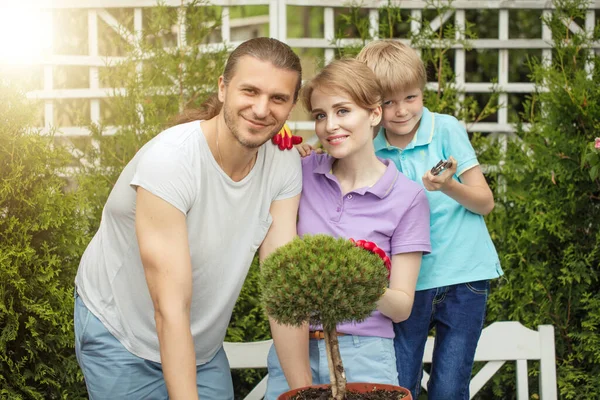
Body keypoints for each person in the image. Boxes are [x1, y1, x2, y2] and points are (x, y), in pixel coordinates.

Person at [73, 37, 303, 400]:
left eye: (278, 98)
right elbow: (169, 306)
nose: (262, 109)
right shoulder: (171, 161)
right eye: (250, 91)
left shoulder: (284, 162)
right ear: (223, 88)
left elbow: (284, 287)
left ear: (291, 105)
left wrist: (302, 391)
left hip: (200, 347)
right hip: (122, 334)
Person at [265, 58, 432, 400]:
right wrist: (280, 152)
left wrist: (347, 279)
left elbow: (401, 306)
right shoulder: (301, 173)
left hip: (365, 352)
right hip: (293, 348)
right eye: (320, 115)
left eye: (342, 111)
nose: (329, 126)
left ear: (374, 114)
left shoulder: (408, 197)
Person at [354, 40, 504, 400]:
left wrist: (448, 186)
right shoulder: (367, 146)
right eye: (388, 102)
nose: (402, 111)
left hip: (465, 276)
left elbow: (485, 203)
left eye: (411, 97)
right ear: (371, 105)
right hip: (407, 286)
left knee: (450, 388)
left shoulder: (446, 129)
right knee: (398, 384)